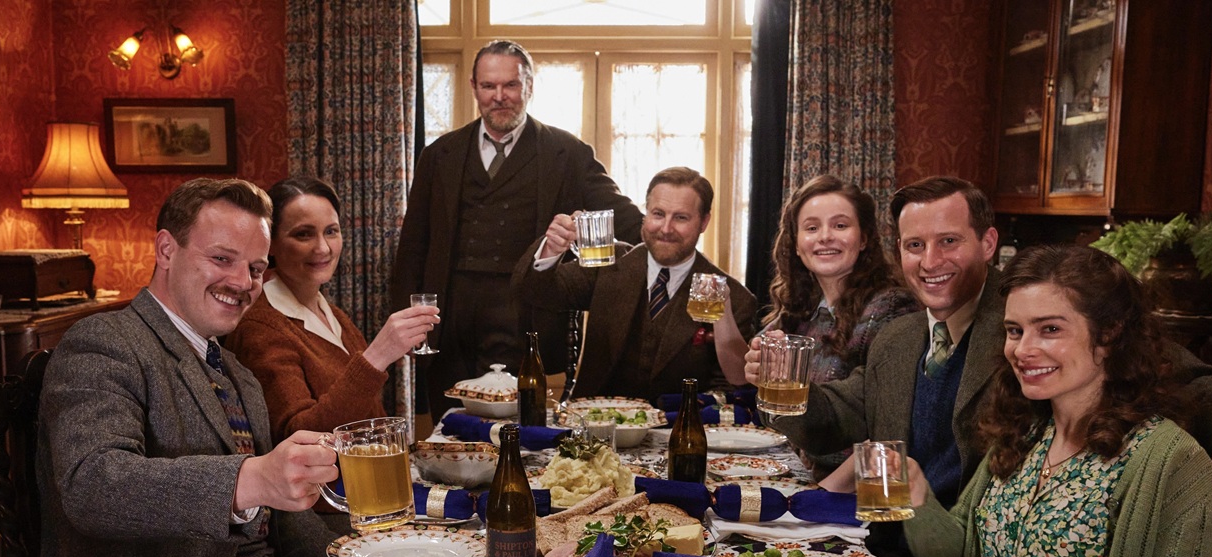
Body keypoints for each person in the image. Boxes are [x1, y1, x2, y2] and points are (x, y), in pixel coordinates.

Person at [743, 176, 1212, 557]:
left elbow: (1192, 375)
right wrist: (780, 389)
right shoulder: (899, 338)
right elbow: (834, 419)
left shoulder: (1032, 318)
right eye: (914, 245)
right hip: (892, 551)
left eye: (949, 241)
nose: (931, 262)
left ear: (988, 241)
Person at [36, 178, 340, 557]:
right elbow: (92, 484)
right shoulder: (103, 344)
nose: (241, 282)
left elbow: (283, 520)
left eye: (253, 268)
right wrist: (247, 479)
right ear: (166, 249)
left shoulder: (238, 375)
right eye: (222, 258)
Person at [903, 244, 1212, 557]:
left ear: (1110, 335)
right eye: (1014, 330)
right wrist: (916, 497)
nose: (1023, 349)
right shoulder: (1024, 431)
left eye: (1050, 329)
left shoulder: (1170, 462)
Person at [390, 39, 642, 415]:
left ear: (529, 87)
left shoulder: (567, 153)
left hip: (527, 313)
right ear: (474, 88)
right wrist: (407, 319)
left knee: (521, 430)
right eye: (489, 86)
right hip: (451, 316)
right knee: (454, 429)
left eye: (510, 85)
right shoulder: (440, 154)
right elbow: (413, 245)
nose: (499, 97)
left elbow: (625, 218)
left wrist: (667, 232)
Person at [714, 175, 917, 477]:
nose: (825, 236)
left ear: (863, 239)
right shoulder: (802, 309)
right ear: (796, 244)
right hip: (797, 472)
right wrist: (756, 363)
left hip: (856, 491)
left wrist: (821, 494)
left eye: (840, 225)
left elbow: (887, 432)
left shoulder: (891, 309)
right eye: (812, 228)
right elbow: (741, 371)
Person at [513, 166, 759, 402]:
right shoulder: (608, 264)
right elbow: (533, 291)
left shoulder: (734, 298)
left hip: (676, 432)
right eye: (658, 214)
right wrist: (552, 248)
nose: (666, 228)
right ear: (646, 214)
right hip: (595, 426)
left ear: (704, 223)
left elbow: (734, 385)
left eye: (681, 218)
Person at [226, 176, 439, 438]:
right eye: (303, 234)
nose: (323, 248)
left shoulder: (333, 314)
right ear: (270, 244)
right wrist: (378, 356)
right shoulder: (260, 327)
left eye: (331, 231)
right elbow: (297, 435)